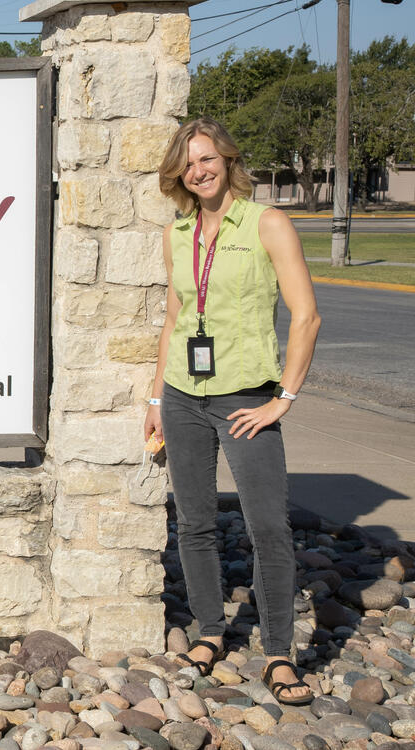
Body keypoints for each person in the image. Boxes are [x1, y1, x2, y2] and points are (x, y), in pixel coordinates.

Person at [145, 118, 321, 706]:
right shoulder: (178, 232)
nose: (199, 170)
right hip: (182, 397)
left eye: (207, 158)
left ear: (227, 158)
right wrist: (154, 398)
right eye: (188, 164)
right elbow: (174, 320)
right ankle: (211, 630)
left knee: (267, 527)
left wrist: (283, 401)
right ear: (179, 175)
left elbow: (306, 316)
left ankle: (277, 652)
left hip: (247, 400)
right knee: (193, 524)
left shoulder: (268, 223)